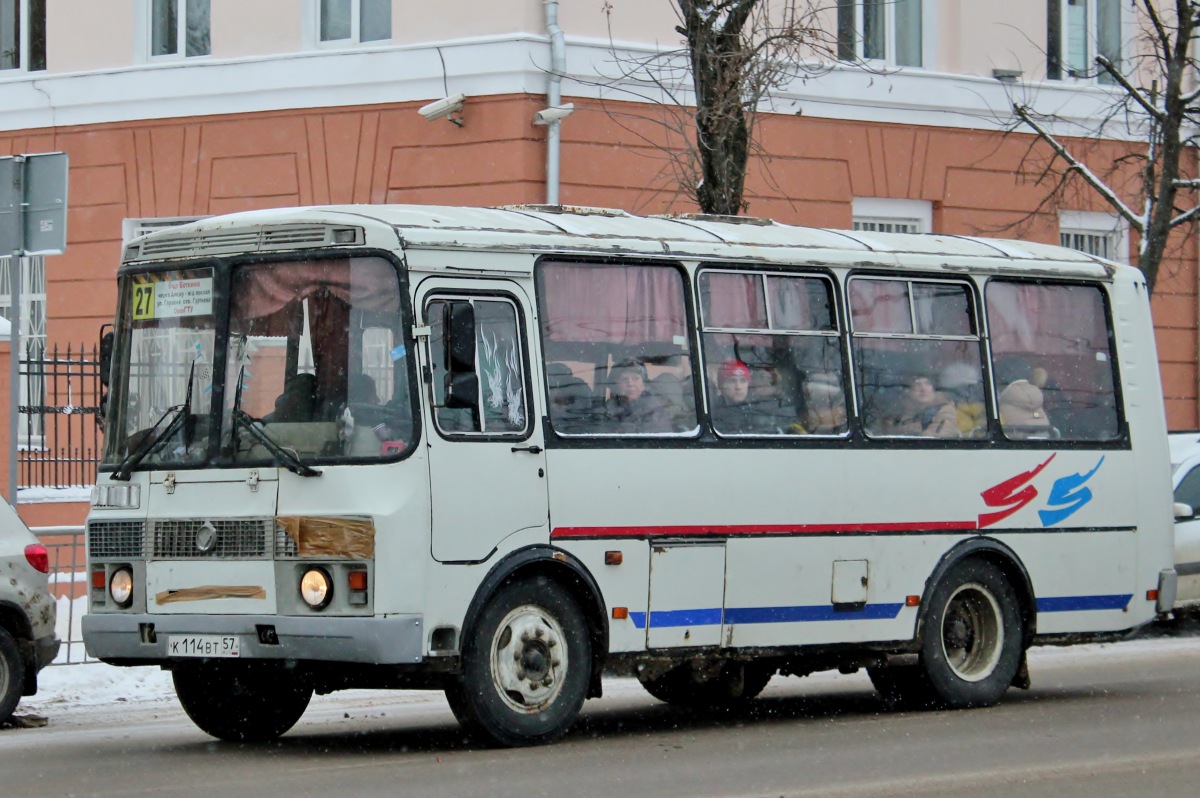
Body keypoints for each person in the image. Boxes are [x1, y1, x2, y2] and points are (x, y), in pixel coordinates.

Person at [603, 359, 673, 433]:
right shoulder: (605, 410)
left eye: (635, 378)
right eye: (624, 379)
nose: (630, 383)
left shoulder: (656, 410)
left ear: (644, 384)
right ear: (615, 385)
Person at [882, 374, 958, 437]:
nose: (923, 389)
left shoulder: (945, 410)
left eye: (928, 383)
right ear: (908, 390)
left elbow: (935, 439)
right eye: (917, 384)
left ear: (933, 389)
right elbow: (882, 434)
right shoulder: (897, 413)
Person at [712, 360, 776, 434]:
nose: (738, 387)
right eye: (732, 381)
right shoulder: (713, 413)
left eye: (743, 381)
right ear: (721, 385)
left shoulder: (758, 410)